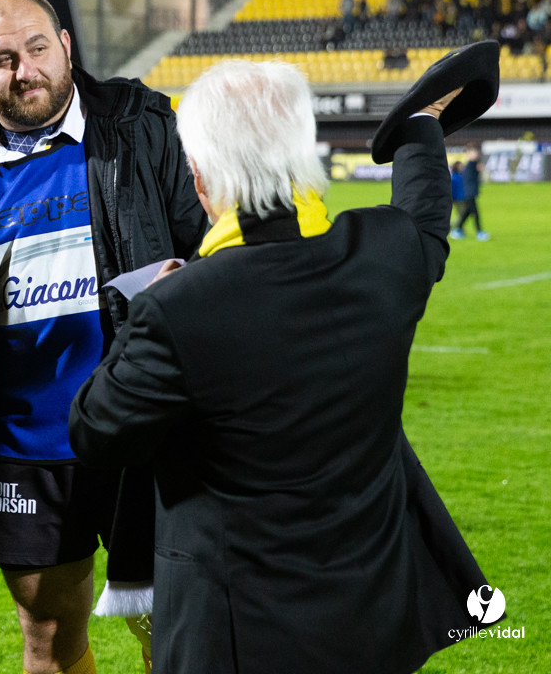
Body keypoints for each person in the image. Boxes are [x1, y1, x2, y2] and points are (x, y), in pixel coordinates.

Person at [69, 59, 494, 673]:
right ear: (304, 152)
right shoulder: (383, 252)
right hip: (373, 619)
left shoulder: (177, 307)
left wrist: (140, 312)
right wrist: (422, 124)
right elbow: (425, 220)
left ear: (199, 176)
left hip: (236, 638)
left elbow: (95, 431)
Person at [0, 0, 207, 674]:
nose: (25, 70)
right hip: (22, 450)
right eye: (4, 58)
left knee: (176, 628)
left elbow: (205, 248)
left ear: (65, 46)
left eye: (38, 48)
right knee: (46, 635)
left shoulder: (141, 123)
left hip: (143, 433)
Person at [451, 144, 489, 240]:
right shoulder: (470, 165)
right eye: (472, 152)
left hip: (470, 192)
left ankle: (458, 229)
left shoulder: (472, 165)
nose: (475, 154)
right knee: (475, 213)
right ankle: (479, 232)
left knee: (467, 212)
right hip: (469, 193)